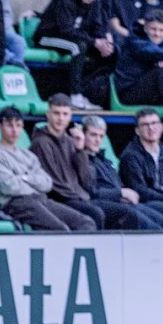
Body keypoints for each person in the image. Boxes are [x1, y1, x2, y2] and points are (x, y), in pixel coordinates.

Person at [0, 107, 93, 232]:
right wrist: (34, 182)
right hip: (15, 204)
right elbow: (10, 187)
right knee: (60, 229)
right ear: (0, 127)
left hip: (40, 199)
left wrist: (23, 177)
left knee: (85, 222)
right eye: (9, 125)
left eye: (18, 125)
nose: (14, 130)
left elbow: (47, 183)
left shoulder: (28, 155)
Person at [81, 115, 163, 230]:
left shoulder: (104, 161)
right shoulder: (81, 160)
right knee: (150, 224)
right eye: (93, 135)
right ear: (83, 135)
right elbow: (90, 192)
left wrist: (123, 193)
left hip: (121, 201)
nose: (97, 140)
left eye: (101, 136)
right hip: (104, 202)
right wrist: (120, 193)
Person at [35, 0, 113, 110]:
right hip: (47, 37)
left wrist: (103, 42)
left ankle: (89, 94)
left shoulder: (95, 2)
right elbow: (66, 30)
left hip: (74, 39)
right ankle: (75, 95)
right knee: (78, 47)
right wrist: (94, 42)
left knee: (111, 52)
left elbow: (97, 27)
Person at [30, 95, 107, 230]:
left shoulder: (71, 141)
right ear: (48, 114)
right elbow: (53, 184)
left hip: (79, 198)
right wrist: (80, 197)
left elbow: (87, 182)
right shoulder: (41, 143)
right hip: (58, 200)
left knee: (127, 211)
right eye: (56, 113)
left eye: (65, 114)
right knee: (96, 213)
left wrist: (80, 150)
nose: (61, 118)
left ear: (70, 116)